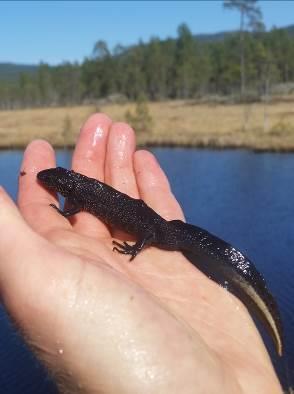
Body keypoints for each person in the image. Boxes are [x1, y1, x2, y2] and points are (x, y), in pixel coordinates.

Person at [0, 113, 282, 393]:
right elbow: (77, 205)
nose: (47, 183)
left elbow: (133, 226)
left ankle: (258, 299)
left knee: (189, 242)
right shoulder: (78, 189)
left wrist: (136, 247)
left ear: (62, 184)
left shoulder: (86, 194)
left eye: (50, 183)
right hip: (162, 226)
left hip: (162, 232)